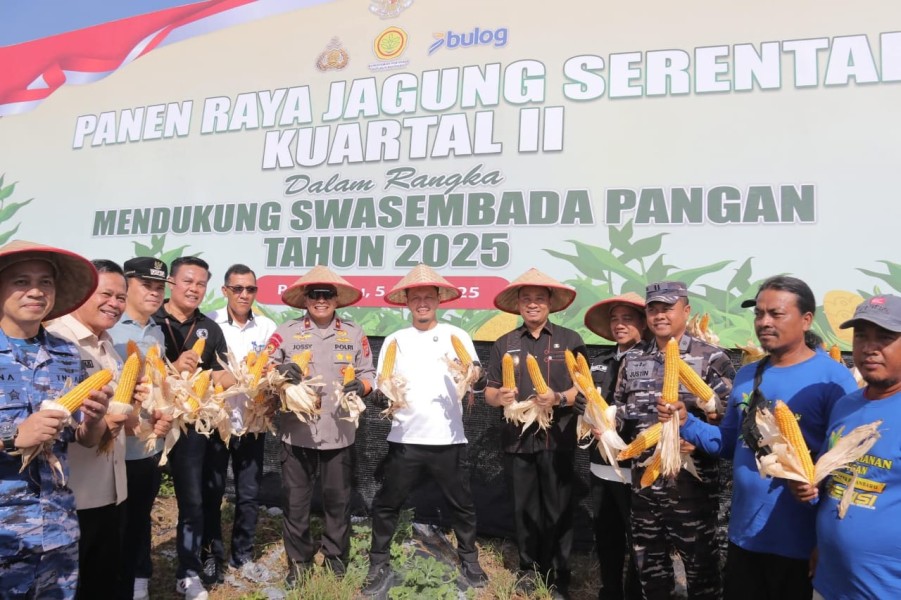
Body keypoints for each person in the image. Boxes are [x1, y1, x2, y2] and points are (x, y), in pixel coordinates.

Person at [662, 276, 856, 599]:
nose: (763, 322)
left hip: (801, 545)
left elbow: (848, 464)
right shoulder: (748, 374)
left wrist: (827, 530)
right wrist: (684, 421)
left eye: (775, 314)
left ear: (806, 319)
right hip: (745, 539)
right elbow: (726, 443)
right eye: (759, 314)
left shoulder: (833, 379)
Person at [361, 264, 488, 597]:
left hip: (448, 439)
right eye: (415, 297)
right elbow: (381, 391)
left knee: (461, 504)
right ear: (406, 301)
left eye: (427, 297)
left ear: (438, 300)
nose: (421, 303)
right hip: (404, 440)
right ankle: (378, 561)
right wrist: (366, 393)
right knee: (388, 504)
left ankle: (469, 559)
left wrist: (476, 374)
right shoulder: (394, 340)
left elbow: (475, 374)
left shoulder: (456, 336)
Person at [0, 240, 112, 599]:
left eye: (45, 282)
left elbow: (86, 439)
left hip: (58, 528)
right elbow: (17, 436)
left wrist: (93, 421)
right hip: (6, 536)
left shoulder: (66, 353)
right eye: (21, 281)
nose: (35, 291)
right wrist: (12, 435)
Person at [614, 281, 734, 600]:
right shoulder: (632, 358)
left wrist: (698, 437)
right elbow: (621, 413)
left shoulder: (711, 359)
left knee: (703, 576)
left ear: (686, 310)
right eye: (652, 309)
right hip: (644, 486)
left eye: (666, 308)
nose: (659, 315)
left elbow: (729, 421)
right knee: (650, 575)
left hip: (692, 488)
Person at [268, 265, 374, 586]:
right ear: (305, 299)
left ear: (336, 299)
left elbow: (369, 374)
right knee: (296, 502)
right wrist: (279, 371)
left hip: (339, 431)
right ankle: (298, 561)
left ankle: (335, 556)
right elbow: (263, 371)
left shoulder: (354, 334)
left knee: (337, 500)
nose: (321, 300)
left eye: (327, 294)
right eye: (315, 294)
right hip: (296, 431)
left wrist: (363, 388)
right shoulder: (285, 332)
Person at [790, 294, 901, 599]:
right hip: (830, 581)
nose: (869, 347)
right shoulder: (845, 406)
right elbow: (834, 481)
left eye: (885, 337)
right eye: (861, 335)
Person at [484, 268, 586, 599]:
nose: (532, 305)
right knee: (524, 507)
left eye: (538, 299)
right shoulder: (505, 343)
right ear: (518, 305)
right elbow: (490, 390)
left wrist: (557, 398)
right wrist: (501, 398)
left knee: (558, 507)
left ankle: (559, 572)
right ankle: (529, 570)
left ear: (550, 304)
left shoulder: (570, 340)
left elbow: (583, 389)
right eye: (526, 299)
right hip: (517, 439)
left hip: (558, 437)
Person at [45, 260, 132, 599]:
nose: (114, 303)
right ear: (83, 294)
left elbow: (119, 416)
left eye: (121, 297)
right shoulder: (55, 341)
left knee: (103, 582)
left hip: (110, 491)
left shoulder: (108, 347)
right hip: (73, 497)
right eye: (106, 294)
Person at [153, 256, 232, 600]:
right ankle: (136, 570)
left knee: (194, 500)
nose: (194, 289)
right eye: (188, 281)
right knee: (139, 502)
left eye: (201, 283)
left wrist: (242, 377)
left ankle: (188, 571)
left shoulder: (210, 329)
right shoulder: (150, 321)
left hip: (193, 428)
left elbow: (220, 373)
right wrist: (172, 368)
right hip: (150, 425)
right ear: (171, 283)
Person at [108, 256, 175, 600]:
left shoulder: (157, 331)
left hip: (149, 446)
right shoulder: (109, 329)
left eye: (159, 287)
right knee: (114, 525)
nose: (154, 292)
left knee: (139, 518)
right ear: (127, 284)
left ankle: (139, 580)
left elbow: (158, 386)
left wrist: (165, 413)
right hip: (113, 446)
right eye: (146, 285)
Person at [204, 264, 277, 575]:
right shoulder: (209, 325)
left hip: (252, 423)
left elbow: (273, 371)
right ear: (225, 291)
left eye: (250, 289)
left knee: (248, 494)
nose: (244, 295)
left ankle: (243, 554)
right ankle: (211, 555)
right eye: (238, 288)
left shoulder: (267, 327)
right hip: (215, 422)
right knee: (212, 492)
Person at [580, 292, 646, 600]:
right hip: (599, 465)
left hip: (634, 468)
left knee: (638, 539)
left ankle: (634, 592)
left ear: (643, 325)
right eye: (615, 319)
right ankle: (610, 590)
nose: (619, 325)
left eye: (627, 319)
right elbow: (588, 402)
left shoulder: (651, 363)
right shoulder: (600, 363)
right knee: (606, 535)